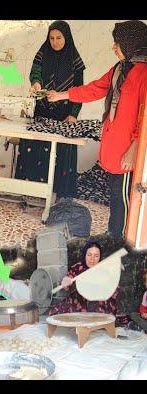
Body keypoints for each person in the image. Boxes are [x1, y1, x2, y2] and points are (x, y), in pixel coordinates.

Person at [48, 20, 147, 239]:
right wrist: (62, 95)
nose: (114, 47)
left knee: (123, 199)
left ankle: (120, 240)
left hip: (129, 152)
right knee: (115, 196)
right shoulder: (120, 69)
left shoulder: (144, 73)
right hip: (115, 146)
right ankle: (114, 233)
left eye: (117, 43)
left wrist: (135, 147)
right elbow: (95, 89)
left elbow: (145, 118)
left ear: (132, 43)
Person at [16, 20, 85, 199]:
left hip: (64, 114)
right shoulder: (43, 53)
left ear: (66, 37)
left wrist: (73, 114)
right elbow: (35, 72)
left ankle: (57, 194)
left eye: (59, 38)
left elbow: (79, 91)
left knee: (61, 152)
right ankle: (29, 190)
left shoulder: (75, 61)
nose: (55, 42)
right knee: (35, 147)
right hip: (41, 111)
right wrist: (36, 82)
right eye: (51, 38)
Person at [48, 240, 119, 317]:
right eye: (89, 255)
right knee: (54, 314)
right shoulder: (78, 267)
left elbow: (114, 290)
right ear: (85, 254)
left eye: (96, 256)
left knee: (96, 316)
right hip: (79, 300)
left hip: (98, 301)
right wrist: (65, 281)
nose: (92, 259)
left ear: (100, 257)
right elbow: (69, 278)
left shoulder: (104, 270)